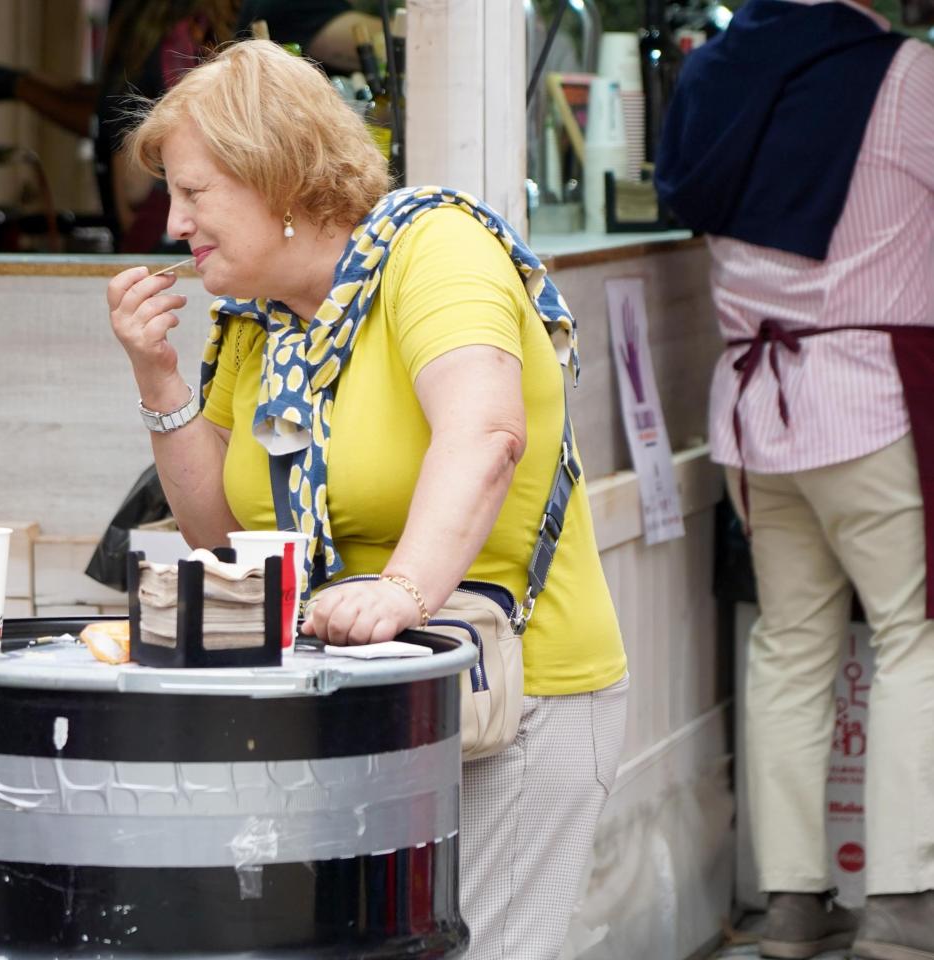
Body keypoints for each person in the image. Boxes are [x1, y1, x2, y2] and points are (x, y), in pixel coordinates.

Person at [105, 40, 628, 959]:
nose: (173, 222)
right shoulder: (257, 320)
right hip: (357, 701)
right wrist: (157, 380)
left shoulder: (438, 249)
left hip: (509, 692)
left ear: (277, 174)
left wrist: (404, 590)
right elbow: (224, 540)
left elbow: (487, 434)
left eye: (195, 193)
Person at [654, 1, 934, 957]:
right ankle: (903, 903)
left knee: (789, 644)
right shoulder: (906, 76)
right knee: (916, 637)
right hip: (875, 404)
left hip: (752, 409)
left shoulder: (708, 73)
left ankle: (791, 906)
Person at [0, 0, 383, 252]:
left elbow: (369, 40)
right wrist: (23, 85)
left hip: (191, 235)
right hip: (177, 232)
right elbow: (113, 109)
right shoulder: (154, 20)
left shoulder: (215, 20)